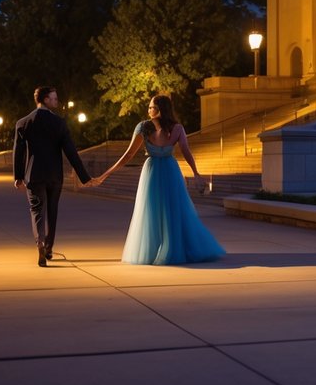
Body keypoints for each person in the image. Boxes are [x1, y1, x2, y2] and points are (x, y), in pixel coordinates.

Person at [90, 94, 224, 265]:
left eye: (151, 107)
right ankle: (171, 248)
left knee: (154, 210)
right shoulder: (175, 128)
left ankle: (155, 250)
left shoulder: (144, 127)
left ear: (160, 109)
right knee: (171, 210)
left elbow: (130, 154)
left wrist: (105, 174)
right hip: (169, 170)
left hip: (153, 171)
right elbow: (185, 151)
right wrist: (195, 172)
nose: (149, 110)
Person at [13, 86, 92, 267]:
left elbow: (18, 152)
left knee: (37, 210)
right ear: (45, 99)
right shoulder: (59, 123)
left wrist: (18, 176)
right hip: (54, 175)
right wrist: (84, 177)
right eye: (54, 98)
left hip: (33, 175)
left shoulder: (23, 123)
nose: (57, 101)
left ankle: (39, 242)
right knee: (52, 210)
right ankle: (48, 248)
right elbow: (71, 152)